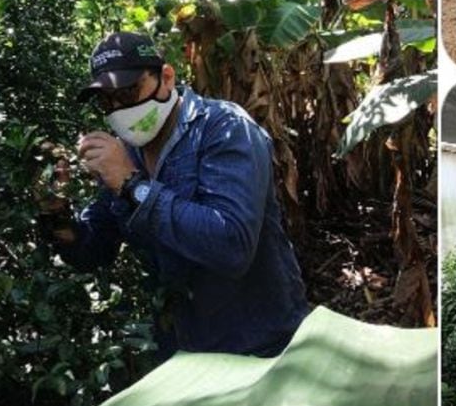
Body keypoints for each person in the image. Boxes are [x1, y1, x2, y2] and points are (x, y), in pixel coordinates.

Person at [35, 32, 309, 359]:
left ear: (166, 77)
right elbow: (94, 250)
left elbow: (232, 246)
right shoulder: (127, 154)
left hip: (260, 346)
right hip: (182, 351)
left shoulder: (225, 128)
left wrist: (133, 185)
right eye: (107, 101)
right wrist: (55, 210)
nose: (119, 109)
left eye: (128, 92)